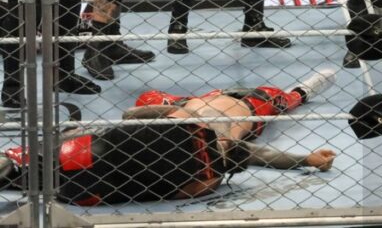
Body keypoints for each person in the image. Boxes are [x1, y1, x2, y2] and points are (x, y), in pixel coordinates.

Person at [0, 71, 337, 204]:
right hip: (181, 135)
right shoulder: (200, 120)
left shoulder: (206, 119)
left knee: (70, 160)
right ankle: (30, 169)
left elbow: (129, 118)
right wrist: (305, 160)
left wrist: (305, 160)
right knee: (79, 163)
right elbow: (251, 155)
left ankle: (26, 167)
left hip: (185, 130)